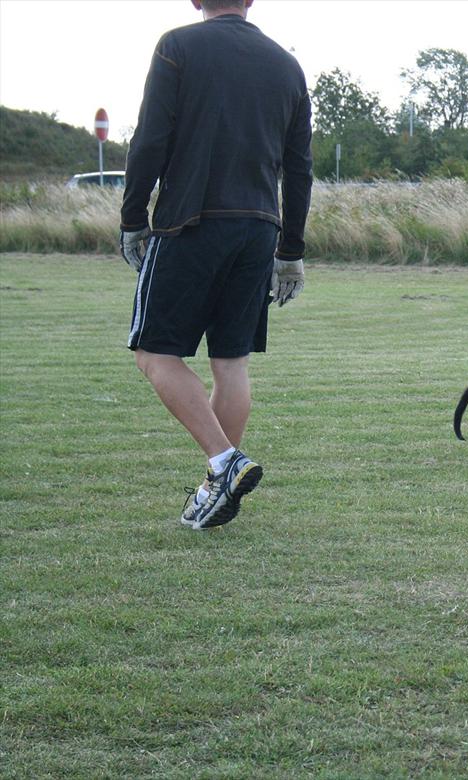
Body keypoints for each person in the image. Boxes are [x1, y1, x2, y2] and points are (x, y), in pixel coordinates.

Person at [119, 0, 313, 530]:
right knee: (231, 363)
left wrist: (134, 215)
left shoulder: (178, 45)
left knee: (154, 353)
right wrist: (290, 251)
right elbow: (299, 169)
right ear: (251, 1)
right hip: (259, 229)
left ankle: (225, 463)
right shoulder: (286, 64)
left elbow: (151, 137)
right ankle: (216, 491)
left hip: (190, 221)